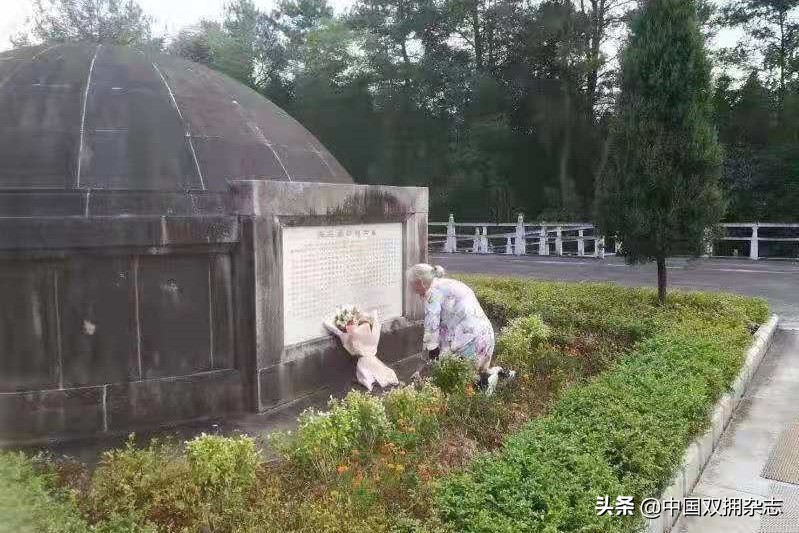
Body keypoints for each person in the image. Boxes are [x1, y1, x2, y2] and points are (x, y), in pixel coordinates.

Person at [408, 263, 512, 391]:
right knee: (474, 374)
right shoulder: (448, 283)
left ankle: (487, 381)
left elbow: (431, 332)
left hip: (469, 342)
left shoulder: (432, 295)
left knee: (456, 382)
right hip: (485, 337)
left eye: (411, 285)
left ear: (420, 282)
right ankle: (497, 374)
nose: (411, 290)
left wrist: (423, 367)